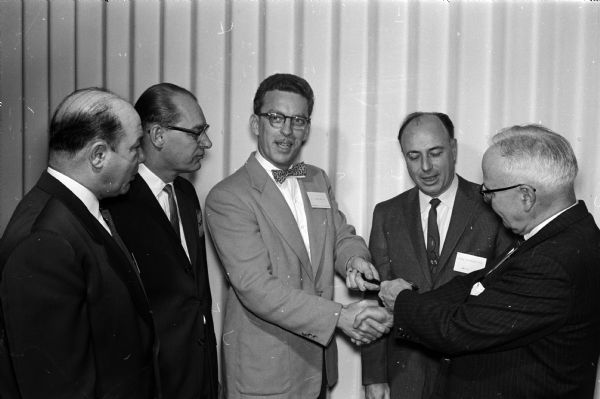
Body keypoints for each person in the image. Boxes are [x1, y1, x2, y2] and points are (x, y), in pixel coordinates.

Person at [368, 124, 600, 399]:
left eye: (490, 192)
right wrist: (409, 305)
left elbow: (460, 329)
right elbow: (481, 280)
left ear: (525, 196)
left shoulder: (552, 260)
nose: (487, 200)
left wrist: (403, 302)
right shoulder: (561, 234)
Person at [205, 73, 388, 399]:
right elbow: (257, 288)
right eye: (276, 118)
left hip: (316, 367)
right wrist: (340, 318)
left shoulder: (315, 178)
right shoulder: (228, 197)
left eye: (298, 120)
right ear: (255, 124)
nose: (287, 131)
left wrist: (354, 259)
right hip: (267, 373)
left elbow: (340, 235)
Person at [0, 88, 160, 399]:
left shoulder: (80, 207)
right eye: (135, 148)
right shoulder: (45, 242)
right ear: (98, 155)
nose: (141, 159)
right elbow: (57, 387)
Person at [361, 112, 514, 399]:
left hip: (474, 377)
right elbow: (374, 299)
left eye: (435, 153)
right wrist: (374, 377)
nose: (426, 167)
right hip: (406, 376)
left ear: (453, 149)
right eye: (414, 156)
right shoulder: (386, 214)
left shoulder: (492, 207)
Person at [103, 83, 218, 399]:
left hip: (195, 377)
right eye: (196, 133)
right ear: (157, 136)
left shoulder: (185, 192)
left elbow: (197, 295)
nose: (206, 142)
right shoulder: (115, 203)